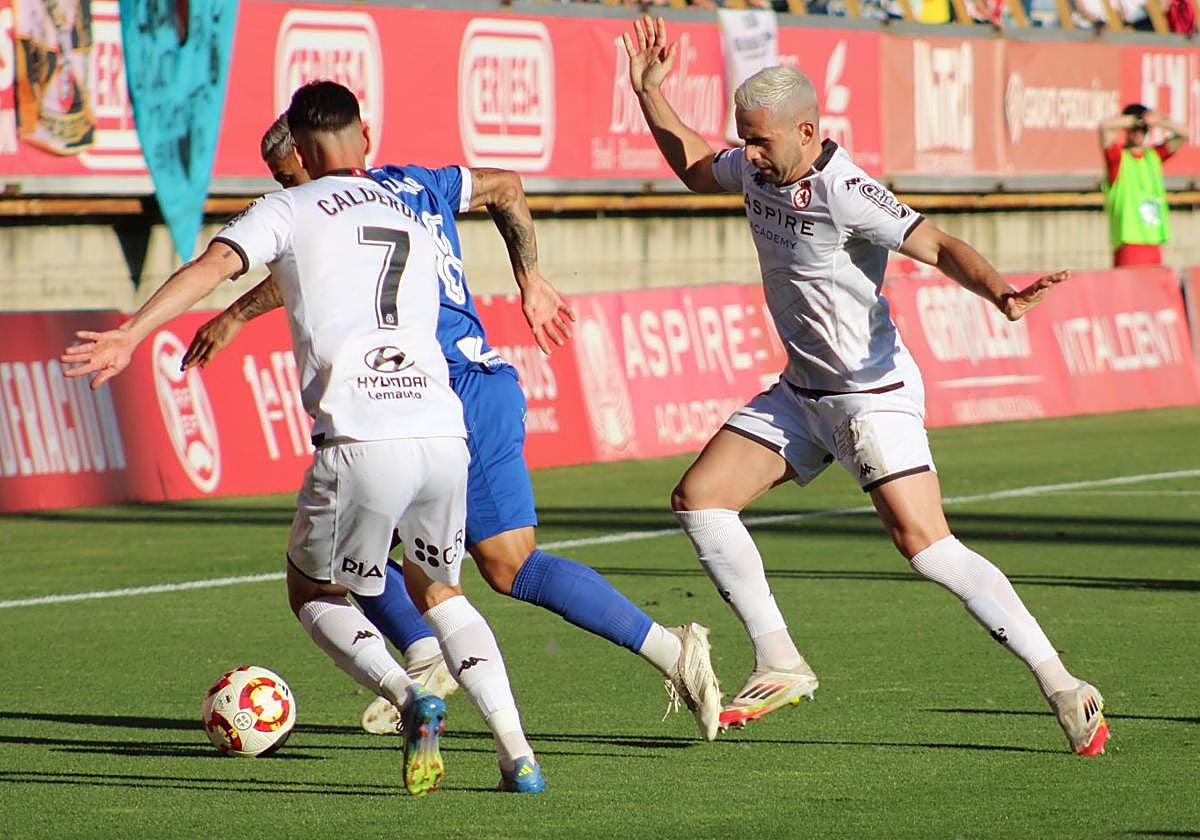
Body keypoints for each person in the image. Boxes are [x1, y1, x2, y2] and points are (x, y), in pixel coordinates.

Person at [623, 15, 1109, 756]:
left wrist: (1001, 294)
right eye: (743, 138)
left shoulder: (848, 191)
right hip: (802, 391)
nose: (747, 154)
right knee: (700, 498)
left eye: (760, 140)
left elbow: (938, 242)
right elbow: (696, 165)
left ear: (808, 130)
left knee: (926, 545)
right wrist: (650, 94)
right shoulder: (758, 170)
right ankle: (779, 659)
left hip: (867, 397)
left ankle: (1063, 685)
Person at [62, 80, 546, 794]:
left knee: (312, 589)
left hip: (361, 436)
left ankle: (413, 698)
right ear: (365, 139)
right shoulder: (409, 202)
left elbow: (211, 268)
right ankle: (519, 755)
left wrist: (134, 332)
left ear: (299, 149)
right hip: (444, 432)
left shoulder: (285, 207)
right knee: (440, 589)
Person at [182, 114, 724, 741]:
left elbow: (309, 263)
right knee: (417, 558)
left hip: (433, 393)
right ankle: (437, 656)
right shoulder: (414, 186)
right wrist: (531, 281)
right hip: (472, 384)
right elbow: (506, 186)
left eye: (284, 176)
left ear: (305, 157)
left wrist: (234, 314)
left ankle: (652, 650)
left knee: (461, 564)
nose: (284, 190)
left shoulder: (326, 212)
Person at [1098, 103, 1189, 268]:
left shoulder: (1153, 156)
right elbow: (1104, 127)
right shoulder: (1118, 158)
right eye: (1134, 129)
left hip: (1153, 242)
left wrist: (1159, 121)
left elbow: (1184, 134)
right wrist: (1135, 120)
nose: (1138, 133)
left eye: (1143, 130)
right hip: (1129, 243)